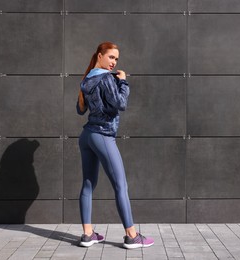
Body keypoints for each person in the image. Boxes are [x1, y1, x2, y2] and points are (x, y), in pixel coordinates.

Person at [76, 42, 154, 249]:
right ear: (100, 56)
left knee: (88, 185)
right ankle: (131, 236)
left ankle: (88, 234)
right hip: (102, 135)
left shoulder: (87, 79)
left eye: (116, 59)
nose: (114, 62)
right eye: (111, 57)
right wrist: (123, 82)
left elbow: (80, 110)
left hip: (87, 136)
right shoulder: (105, 79)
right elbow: (121, 104)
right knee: (121, 186)